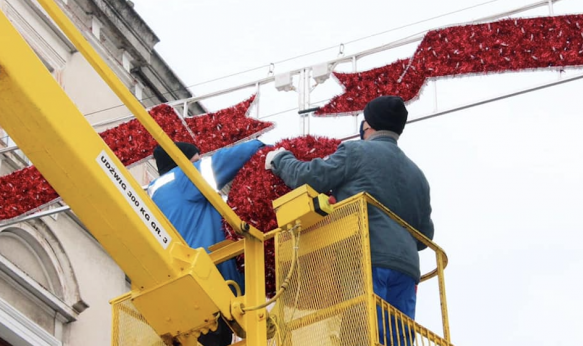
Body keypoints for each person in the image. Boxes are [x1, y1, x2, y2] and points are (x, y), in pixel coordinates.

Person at [264, 95, 434, 345]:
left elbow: (310, 177)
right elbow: (424, 237)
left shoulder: (356, 151)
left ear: (367, 125)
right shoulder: (418, 175)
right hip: (407, 268)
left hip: (365, 257)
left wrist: (280, 159)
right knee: (397, 339)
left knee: (361, 334)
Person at [149, 140, 264, 346]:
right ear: (183, 162)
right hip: (206, 283)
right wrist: (263, 145)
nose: (200, 161)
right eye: (197, 159)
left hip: (186, 291)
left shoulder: (156, 193)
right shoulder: (183, 178)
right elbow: (236, 155)